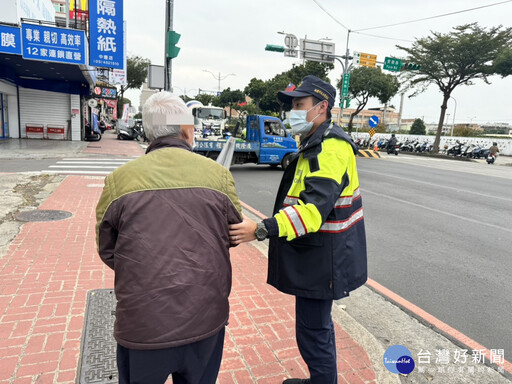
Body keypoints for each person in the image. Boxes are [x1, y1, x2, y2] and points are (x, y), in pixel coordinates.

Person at [96, 91, 242, 384]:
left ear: (149, 132)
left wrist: (146, 267)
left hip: (142, 325)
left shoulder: (119, 180)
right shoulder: (218, 176)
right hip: (205, 319)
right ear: (186, 128)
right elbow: (232, 235)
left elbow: (108, 249)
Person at [229, 75, 368, 384]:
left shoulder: (330, 147)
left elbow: (313, 211)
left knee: (312, 331)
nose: (293, 111)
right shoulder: (315, 140)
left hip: (324, 259)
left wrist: (261, 229)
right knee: (317, 327)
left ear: (322, 107)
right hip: (320, 256)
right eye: (292, 104)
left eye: (299, 104)